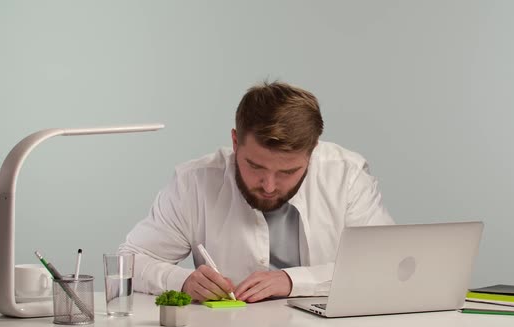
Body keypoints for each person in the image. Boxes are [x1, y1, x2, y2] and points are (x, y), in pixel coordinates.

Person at [118, 81, 394, 303]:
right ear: (235, 143)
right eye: (255, 166)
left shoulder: (347, 176)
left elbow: (385, 265)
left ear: (312, 153)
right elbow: (128, 262)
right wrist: (182, 281)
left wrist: (292, 281)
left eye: (287, 172)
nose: (269, 185)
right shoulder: (194, 182)